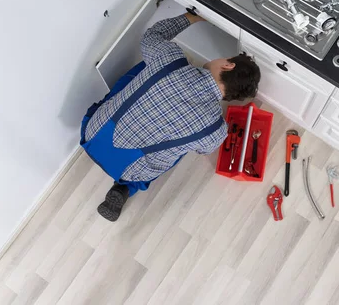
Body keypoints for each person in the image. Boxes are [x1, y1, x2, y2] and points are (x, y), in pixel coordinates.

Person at [80, 12, 261, 221]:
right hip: (127, 170)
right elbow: (202, 149)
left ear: (228, 65)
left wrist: (192, 17)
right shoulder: (216, 132)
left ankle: (124, 181)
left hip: (92, 135)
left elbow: (152, 35)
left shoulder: (170, 59)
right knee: (178, 149)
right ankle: (125, 188)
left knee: (146, 69)